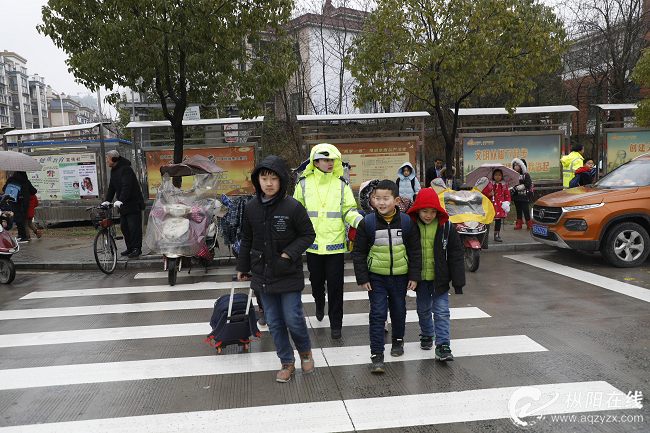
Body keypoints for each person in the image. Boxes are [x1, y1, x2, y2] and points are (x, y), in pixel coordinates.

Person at [236, 156, 316, 383]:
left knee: (292, 318)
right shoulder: (251, 207)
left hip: (287, 272)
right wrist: (242, 266)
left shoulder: (292, 207)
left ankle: (305, 351)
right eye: (264, 178)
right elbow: (247, 239)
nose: (268, 183)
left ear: (281, 180)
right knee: (274, 321)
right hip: (262, 275)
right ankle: (286, 363)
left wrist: (288, 254)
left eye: (273, 178)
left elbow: (308, 235)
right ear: (257, 180)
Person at [351, 179, 422, 373]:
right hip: (376, 278)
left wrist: (414, 276)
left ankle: (398, 341)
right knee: (378, 313)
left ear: (396, 200)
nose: (381, 203)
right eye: (377, 199)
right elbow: (358, 252)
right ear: (372, 201)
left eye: (386, 198)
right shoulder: (368, 223)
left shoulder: (407, 222)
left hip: (400, 277)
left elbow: (415, 251)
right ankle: (377, 354)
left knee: (399, 310)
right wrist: (363, 278)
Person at [293, 143, 362, 339]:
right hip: (313, 245)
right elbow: (296, 213)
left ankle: (336, 325)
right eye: (325, 160)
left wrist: (361, 223)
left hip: (335, 245)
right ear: (315, 162)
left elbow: (349, 210)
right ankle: (319, 303)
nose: (330, 163)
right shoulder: (303, 183)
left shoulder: (342, 184)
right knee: (316, 283)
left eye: (332, 159)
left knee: (336, 286)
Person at [406, 188, 465, 360]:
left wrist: (458, 282)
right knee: (423, 309)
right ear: (417, 209)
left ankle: (443, 345)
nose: (428, 215)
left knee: (441, 311)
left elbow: (456, 255)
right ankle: (426, 333)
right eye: (424, 211)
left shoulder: (446, 227)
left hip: (440, 279)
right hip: (420, 280)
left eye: (433, 211)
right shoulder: (410, 226)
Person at [102, 150, 145, 258]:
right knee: (124, 227)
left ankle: (136, 248)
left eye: (107, 158)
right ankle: (130, 247)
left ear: (114, 159)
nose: (106, 161)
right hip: (123, 205)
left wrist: (120, 199)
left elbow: (127, 187)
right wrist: (107, 200)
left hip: (133, 203)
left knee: (133, 227)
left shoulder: (126, 169)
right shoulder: (114, 170)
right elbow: (112, 187)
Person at [2, 171, 37, 243]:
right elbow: (33, 191)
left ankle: (21, 235)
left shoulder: (11, 179)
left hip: (13, 201)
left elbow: (4, 189)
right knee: (21, 219)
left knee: (17, 217)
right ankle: (24, 237)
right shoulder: (25, 181)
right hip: (23, 202)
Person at [482, 169, 510, 242]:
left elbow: (507, 195)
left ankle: (496, 234)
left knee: (498, 220)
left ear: (502, 176)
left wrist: (507, 202)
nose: (497, 177)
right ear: (493, 176)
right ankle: (485, 235)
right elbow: (483, 194)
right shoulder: (489, 184)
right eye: (496, 175)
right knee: (488, 220)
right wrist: (489, 194)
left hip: (500, 205)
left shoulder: (504, 185)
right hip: (490, 205)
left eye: (499, 175)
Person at [511, 158, 533, 230]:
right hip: (516, 196)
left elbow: (527, 184)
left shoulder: (526, 175)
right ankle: (519, 224)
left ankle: (529, 224)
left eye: (517, 165)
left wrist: (517, 188)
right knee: (518, 210)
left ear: (521, 166)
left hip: (524, 196)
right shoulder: (514, 175)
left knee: (525, 210)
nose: (515, 167)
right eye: (514, 165)